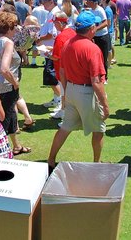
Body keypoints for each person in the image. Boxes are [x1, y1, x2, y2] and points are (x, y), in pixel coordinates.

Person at [47, 11, 110, 171]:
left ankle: (51, 159)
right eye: (95, 25)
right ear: (91, 28)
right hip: (87, 93)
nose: (96, 27)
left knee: (65, 127)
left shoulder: (68, 43)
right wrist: (105, 105)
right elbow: (96, 82)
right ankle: (97, 163)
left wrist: (67, 93)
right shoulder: (92, 48)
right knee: (98, 129)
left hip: (72, 91)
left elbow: (62, 72)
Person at [0, 12, 31, 156]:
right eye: (15, 26)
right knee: (4, 118)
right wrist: (15, 83)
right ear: (9, 27)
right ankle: (0, 151)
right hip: (6, 86)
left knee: (9, 115)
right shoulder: (8, 42)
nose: (16, 28)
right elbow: (4, 68)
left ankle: (16, 145)